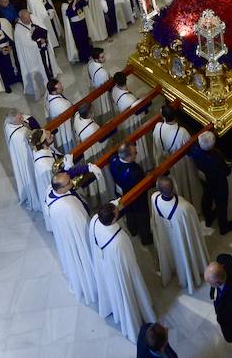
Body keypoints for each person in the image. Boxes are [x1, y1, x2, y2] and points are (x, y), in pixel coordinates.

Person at [88, 202, 157, 342]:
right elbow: (130, 262)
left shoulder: (95, 220)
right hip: (122, 271)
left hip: (106, 265)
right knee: (128, 292)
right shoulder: (119, 238)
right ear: (113, 219)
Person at [45, 172, 99, 306]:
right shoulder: (68, 208)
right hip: (75, 237)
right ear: (60, 189)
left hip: (66, 232)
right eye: (68, 183)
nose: (72, 183)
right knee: (83, 257)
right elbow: (82, 227)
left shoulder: (51, 190)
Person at [149, 174, 209, 293]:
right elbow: (194, 228)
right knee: (183, 253)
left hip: (164, 235)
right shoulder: (184, 207)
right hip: (180, 239)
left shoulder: (154, 197)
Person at [189, 131, 232, 235]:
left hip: (205, 179)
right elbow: (227, 171)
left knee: (207, 198)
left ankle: (208, 218)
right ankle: (223, 226)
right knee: (221, 202)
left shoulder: (194, 150)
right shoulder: (216, 158)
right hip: (218, 182)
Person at [108, 141, 154, 245]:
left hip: (121, 192)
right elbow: (143, 184)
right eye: (135, 153)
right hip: (137, 197)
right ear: (128, 157)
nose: (136, 153)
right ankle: (145, 238)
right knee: (142, 217)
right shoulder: (135, 171)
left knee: (128, 211)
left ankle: (133, 230)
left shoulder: (114, 159)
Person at [152, 105, 198, 198]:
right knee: (184, 183)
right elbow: (190, 147)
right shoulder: (182, 132)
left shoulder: (158, 127)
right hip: (180, 163)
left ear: (164, 117)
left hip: (165, 162)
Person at [13, 9, 54, 99]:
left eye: (29, 17)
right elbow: (26, 43)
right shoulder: (18, 29)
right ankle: (39, 91)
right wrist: (40, 41)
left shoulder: (29, 22)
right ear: (21, 18)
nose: (29, 20)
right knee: (36, 72)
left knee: (43, 67)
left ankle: (47, 84)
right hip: (29, 56)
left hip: (37, 52)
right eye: (26, 19)